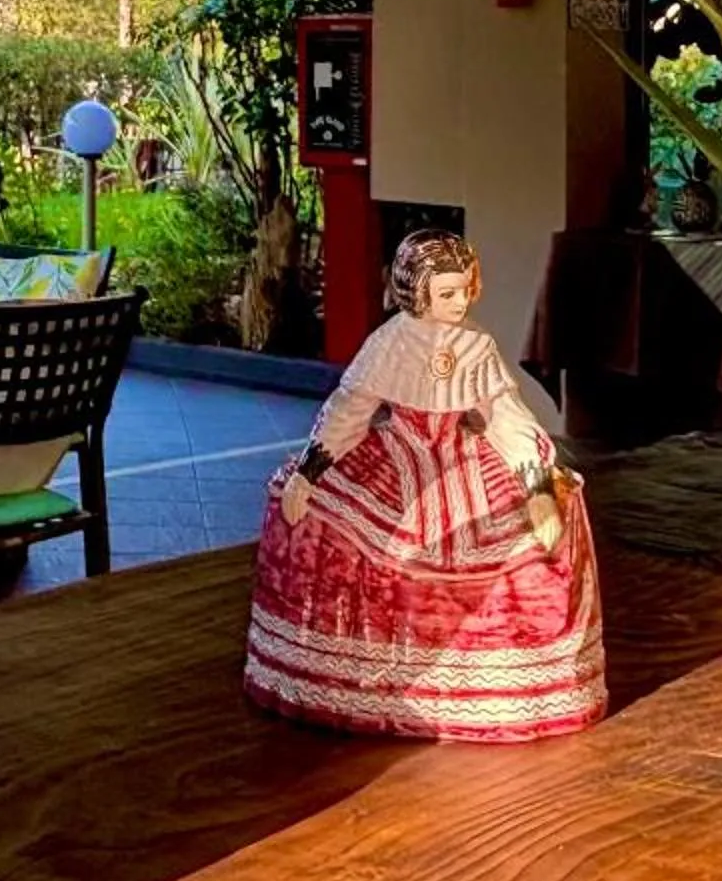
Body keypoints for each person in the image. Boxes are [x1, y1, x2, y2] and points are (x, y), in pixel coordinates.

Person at [243, 230, 607, 742]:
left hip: (465, 461)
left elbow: (505, 417)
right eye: (446, 293)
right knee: (332, 526)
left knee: (537, 528)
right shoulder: (389, 343)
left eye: (464, 290)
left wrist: (537, 485)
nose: (459, 303)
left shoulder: (475, 345)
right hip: (398, 460)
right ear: (417, 293)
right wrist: (310, 472)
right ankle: (365, 687)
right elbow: (350, 411)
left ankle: (505, 692)